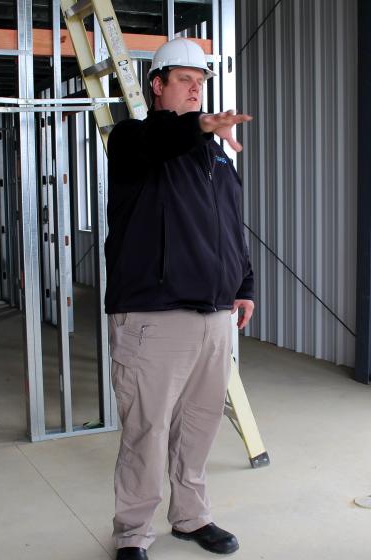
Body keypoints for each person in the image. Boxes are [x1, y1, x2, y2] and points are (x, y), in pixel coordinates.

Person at [104, 37, 255, 560]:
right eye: (185, 80)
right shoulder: (131, 142)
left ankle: (191, 516)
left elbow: (230, 229)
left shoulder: (217, 160)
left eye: (202, 82)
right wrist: (200, 126)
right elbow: (157, 140)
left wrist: (244, 285)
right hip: (152, 317)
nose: (196, 89)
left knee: (199, 424)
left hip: (213, 317)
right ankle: (133, 534)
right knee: (146, 431)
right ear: (157, 86)